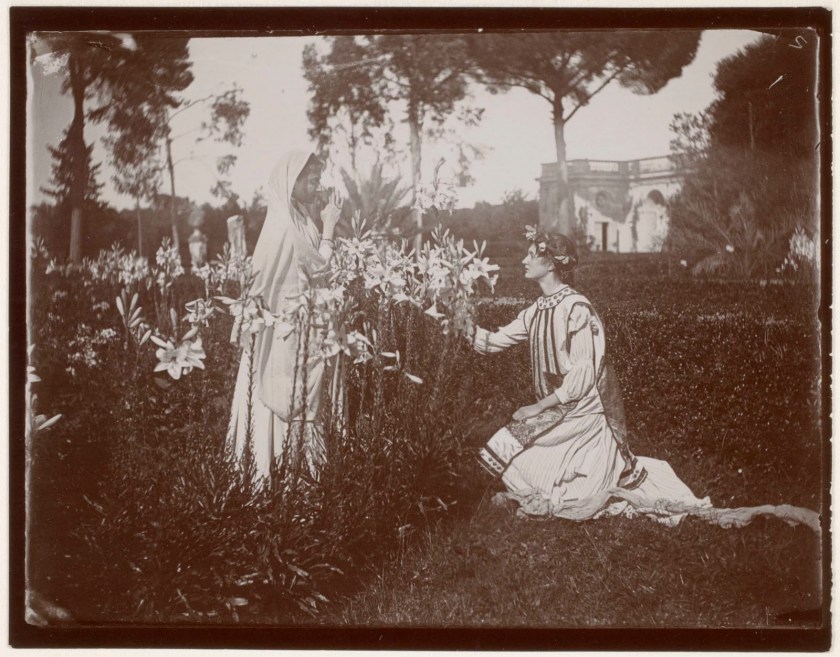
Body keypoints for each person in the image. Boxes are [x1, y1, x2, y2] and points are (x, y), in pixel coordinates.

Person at [470, 226, 819, 531]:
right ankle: (557, 483)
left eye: (532, 255)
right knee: (513, 453)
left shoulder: (577, 308)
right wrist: (457, 321)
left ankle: (572, 483)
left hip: (585, 413)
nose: (524, 261)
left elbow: (583, 375)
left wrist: (538, 406)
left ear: (552, 263)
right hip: (558, 411)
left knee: (509, 443)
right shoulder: (535, 311)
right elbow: (492, 342)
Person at [226, 150, 343, 484]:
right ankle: (271, 486)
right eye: (313, 178)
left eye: (318, 177)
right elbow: (317, 270)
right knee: (280, 406)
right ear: (293, 180)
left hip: (299, 332)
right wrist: (330, 228)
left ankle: (298, 486)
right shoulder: (284, 224)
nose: (318, 184)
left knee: (300, 405)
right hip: (282, 337)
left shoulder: (300, 218)